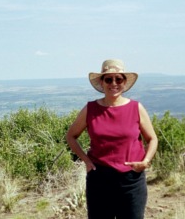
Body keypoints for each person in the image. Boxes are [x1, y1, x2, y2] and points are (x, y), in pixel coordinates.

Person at [65, 59, 158, 219]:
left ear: (124, 82)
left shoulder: (136, 108)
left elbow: (152, 139)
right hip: (99, 179)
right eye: (108, 79)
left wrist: (145, 161)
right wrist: (86, 161)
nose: (113, 83)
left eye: (118, 79)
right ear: (102, 82)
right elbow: (71, 136)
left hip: (131, 180)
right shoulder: (91, 109)